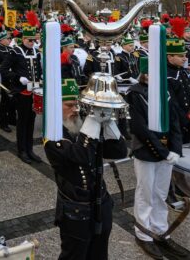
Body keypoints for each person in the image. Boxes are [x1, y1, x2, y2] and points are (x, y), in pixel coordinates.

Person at [44, 78, 127, 260]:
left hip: (100, 200)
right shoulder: (52, 135)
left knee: (99, 253)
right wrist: (92, 122)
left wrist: (108, 123)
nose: (75, 110)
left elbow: (119, 151)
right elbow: (80, 156)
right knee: (75, 255)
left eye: (77, 105)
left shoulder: (81, 126)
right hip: (76, 208)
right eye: (69, 105)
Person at [126, 57, 182, 260]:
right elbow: (140, 128)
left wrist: (175, 148)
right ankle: (143, 234)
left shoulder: (165, 91)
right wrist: (163, 151)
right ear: (144, 74)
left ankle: (160, 230)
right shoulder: (135, 94)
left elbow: (175, 120)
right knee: (145, 193)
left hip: (167, 151)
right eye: (151, 73)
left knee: (160, 193)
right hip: (147, 151)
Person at [0, 17, 43, 164]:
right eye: (29, 40)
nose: (32, 43)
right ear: (23, 39)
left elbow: (39, 70)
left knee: (32, 120)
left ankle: (30, 149)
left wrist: (41, 78)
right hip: (22, 92)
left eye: (33, 40)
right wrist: (18, 78)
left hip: (34, 91)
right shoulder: (15, 52)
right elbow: (2, 69)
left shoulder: (36, 52)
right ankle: (22, 150)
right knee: (22, 122)